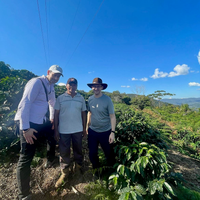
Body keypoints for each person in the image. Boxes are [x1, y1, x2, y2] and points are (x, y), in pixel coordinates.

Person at [14, 65, 63, 200]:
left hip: (41, 121)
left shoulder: (51, 87)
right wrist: (25, 129)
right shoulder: (36, 82)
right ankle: (23, 194)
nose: (57, 77)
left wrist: (52, 119)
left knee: (52, 134)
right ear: (48, 72)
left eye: (59, 76)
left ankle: (50, 158)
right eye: (55, 75)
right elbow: (25, 103)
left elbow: (52, 103)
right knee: (26, 157)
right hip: (28, 123)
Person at [54, 78, 87, 188]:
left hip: (77, 130)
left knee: (78, 149)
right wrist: (56, 130)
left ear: (76, 86)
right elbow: (56, 114)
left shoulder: (81, 98)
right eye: (70, 84)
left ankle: (78, 168)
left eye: (74, 84)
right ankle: (65, 172)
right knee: (64, 152)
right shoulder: (60, 98)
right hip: (64, 131)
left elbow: (83, 114)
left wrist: (84, 128)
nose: (72, 87)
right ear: (66, 86)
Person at [86, 77, 116, 171]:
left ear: (102, 87)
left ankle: (111, 172)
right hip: (93, 131)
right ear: (92, 87)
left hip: (105, 131)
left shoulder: (107, 100)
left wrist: (112, 132)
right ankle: (97, 170)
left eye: (98, 86)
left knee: (109, 153)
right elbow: (89, 113)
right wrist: (87, 126)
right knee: (92, 153)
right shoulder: (90, 99)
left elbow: (112, 116)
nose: (96, 88)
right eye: (94, 86)